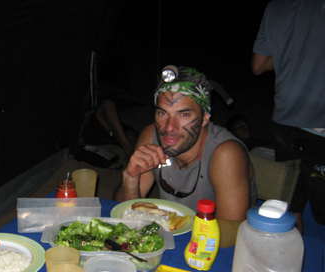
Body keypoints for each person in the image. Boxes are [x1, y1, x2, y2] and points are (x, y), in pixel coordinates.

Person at [114, 66, 257, 246]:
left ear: (205, 118)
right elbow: (125, 213)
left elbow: (230, 237)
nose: (169, 127)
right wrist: (130, 177)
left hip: (209, 250)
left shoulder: (226, 154)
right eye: (162, 113)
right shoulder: (151, 136)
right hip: (171, 239)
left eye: (183, 114)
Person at [252, 0, 325, 235]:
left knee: (290, 204)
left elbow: (259, 64)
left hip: (284, 123)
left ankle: (295, 258)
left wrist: (290, 53)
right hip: (318, 126)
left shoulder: (275, 7)